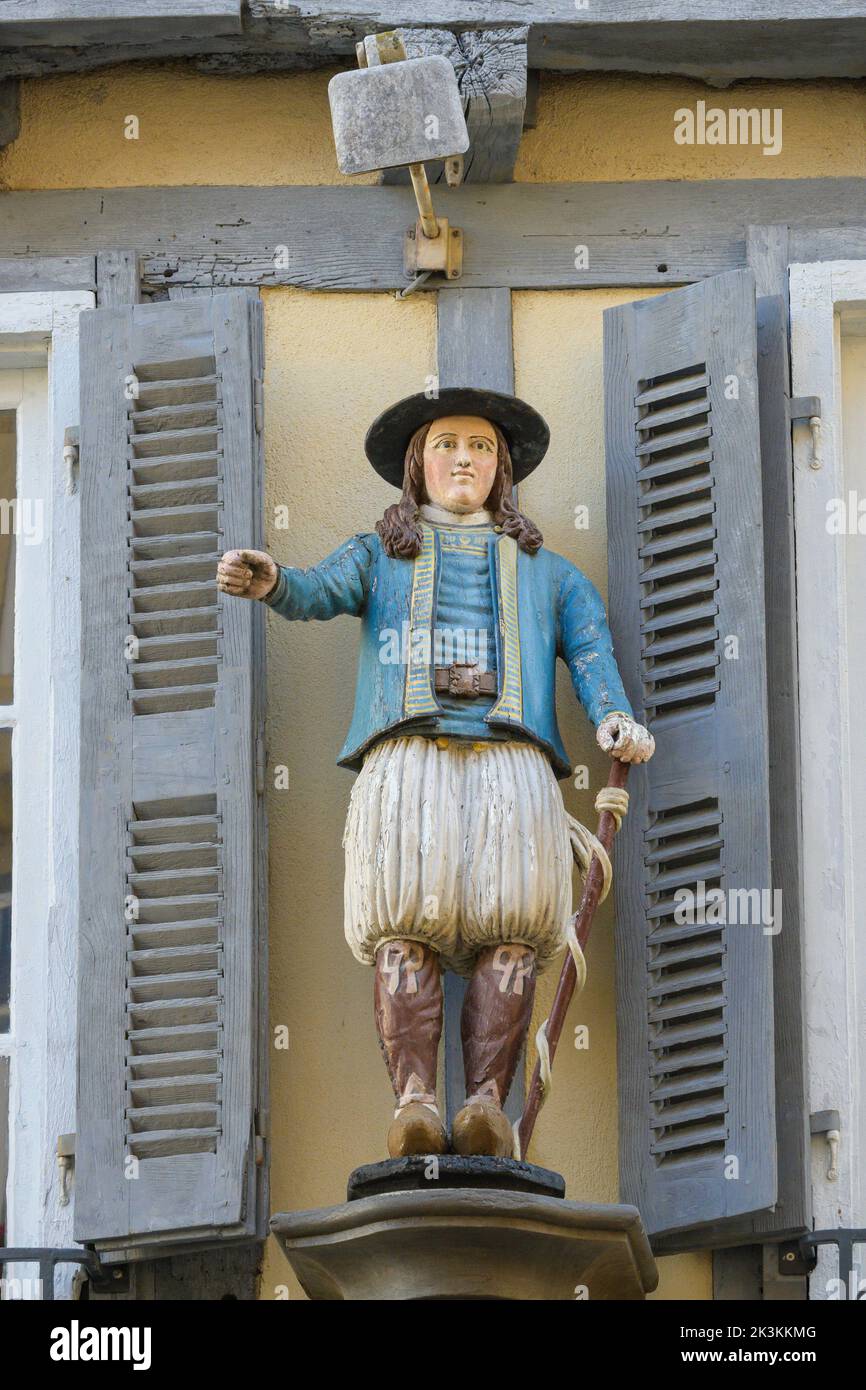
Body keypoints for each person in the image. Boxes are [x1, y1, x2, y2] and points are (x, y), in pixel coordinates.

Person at [217, 387, 654, 1159]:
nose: (464, 458)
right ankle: (416, 1100)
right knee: (402, 919)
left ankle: (486, 1102)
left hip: (512, 763)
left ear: (502, 468)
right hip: (408, 758)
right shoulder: (378, 554)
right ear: (419, 464)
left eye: (481, 447)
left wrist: (613, 717)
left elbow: (590, 651)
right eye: (448, 444)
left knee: (513, 924)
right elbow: (320, 591)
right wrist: (273, 582)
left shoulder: (549, 574)